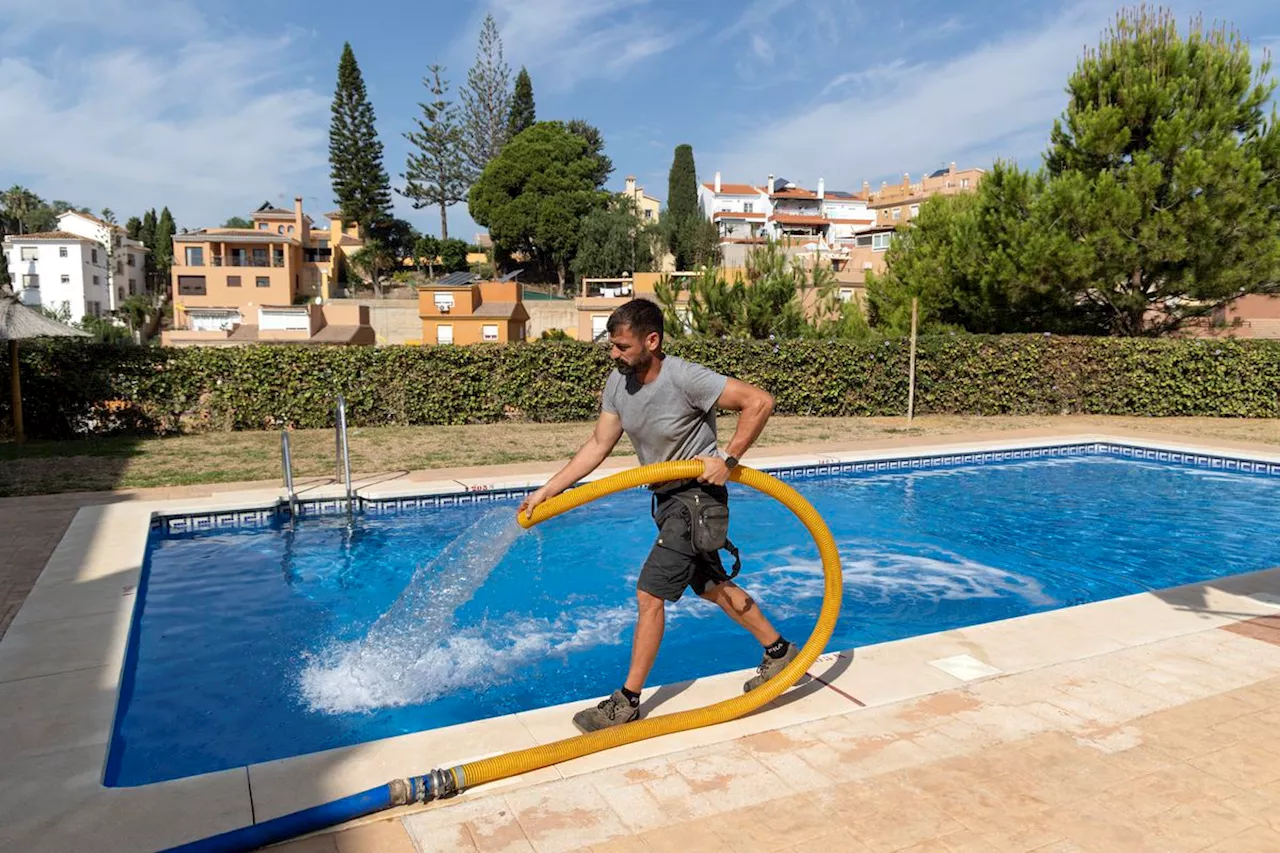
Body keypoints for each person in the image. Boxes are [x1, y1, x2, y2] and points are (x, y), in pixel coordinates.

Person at [518, 299, 798, 733]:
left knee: (649, 596)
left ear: (653, 340)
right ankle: (779, 652)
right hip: (668, 501)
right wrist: (547, 491)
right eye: (612, 346)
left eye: (623, 346)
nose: (615, 354)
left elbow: (759, 401)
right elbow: (597, 445)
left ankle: (627, 701)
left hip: (697, 500)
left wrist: (728, 456)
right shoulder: (618, 382)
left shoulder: (685, 377)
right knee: (710, 587)